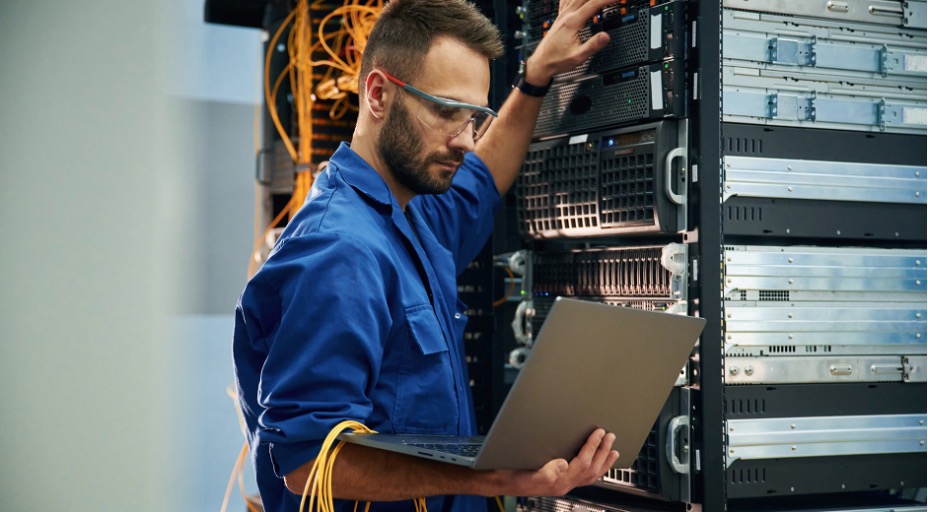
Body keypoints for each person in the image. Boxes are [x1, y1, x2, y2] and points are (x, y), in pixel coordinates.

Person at [233, 0, 615, 510]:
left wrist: (535, 78)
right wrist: (495, 479)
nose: (464, 139)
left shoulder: (409, 215)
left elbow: (480, 180)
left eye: (473, 117)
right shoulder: (339, 252)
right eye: (444, 111)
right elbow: (309, 464)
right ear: (377, 94)